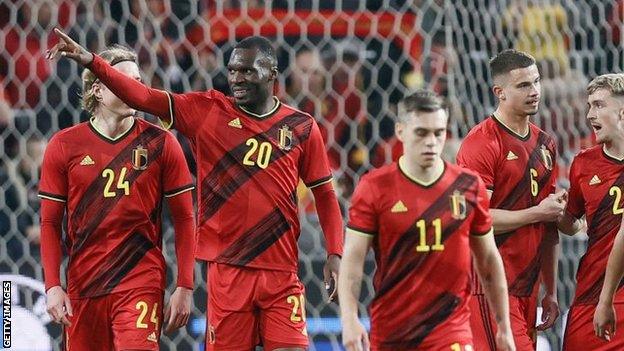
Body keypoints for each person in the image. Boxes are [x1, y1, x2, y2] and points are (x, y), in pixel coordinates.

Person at [47, 29, 343, 350]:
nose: (237, 78)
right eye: (232, 71)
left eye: (247, 70)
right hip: (227, 274)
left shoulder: (300, 126)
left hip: (280, 273)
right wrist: (92, 60)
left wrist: (335, 253)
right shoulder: (207, 111)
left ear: (271, 74)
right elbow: (145, 97)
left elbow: (325, 194)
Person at [40, 44, 196, 350]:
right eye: (124, 80)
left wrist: (185, 285)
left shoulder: (162, 143)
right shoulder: (64, 145)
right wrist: (52, 286)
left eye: (138, 81)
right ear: (98, 89)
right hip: (85, 282)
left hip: (140, 278)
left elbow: (185, 218)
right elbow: (49, 222)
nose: (134, 88)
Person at [339, 90, 515, 351]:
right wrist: (349, 319)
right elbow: (353, 260)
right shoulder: (374, 187)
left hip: (450, 328)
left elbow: (489, 260)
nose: (431, 142)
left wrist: (504, 327)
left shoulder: (468, 186)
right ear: (400, 131)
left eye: (438, 133)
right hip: (393, 330)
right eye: (421, 133)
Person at [456, 49, 563, 350]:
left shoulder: (546, 144)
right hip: (489, 283)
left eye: (537, 81)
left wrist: (551, 290)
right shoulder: (482, 143)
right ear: (499, 92)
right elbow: (475, 220)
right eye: (523, 85)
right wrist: (537, 213)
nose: (535, 92)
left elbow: (550, 223)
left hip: (528, 286)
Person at [561, 73, 624, 349]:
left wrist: (606, 299)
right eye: (589, 106)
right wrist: (556, 212)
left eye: (599, 105)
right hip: (591, 292)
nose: (589, 114)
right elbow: (572, 223)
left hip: (609, 296)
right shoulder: (583, 164)